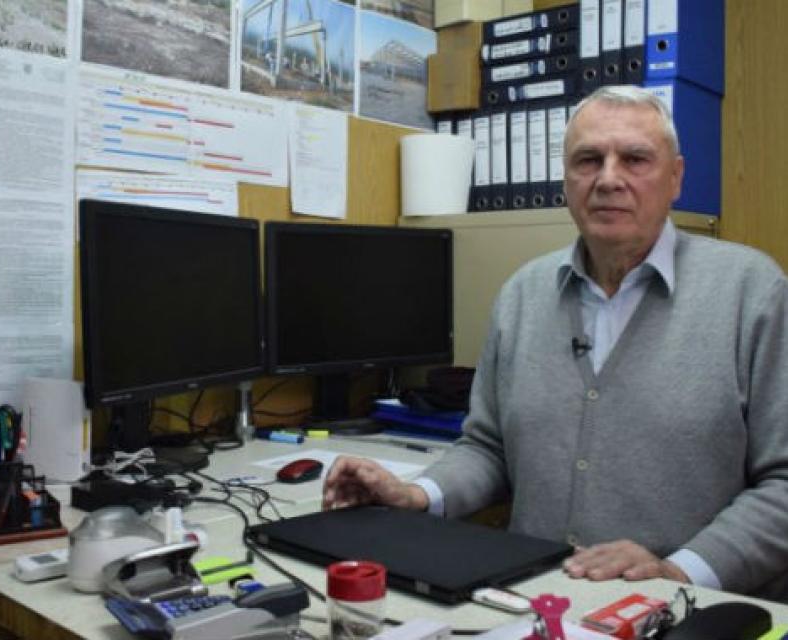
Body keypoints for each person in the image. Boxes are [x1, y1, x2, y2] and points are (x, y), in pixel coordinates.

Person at [323, 85, 788, 601]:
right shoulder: (523, 294)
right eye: (588, 160)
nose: (608, 179)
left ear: (675, 177)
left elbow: (784, 483)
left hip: (684, 610)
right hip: (533, 602)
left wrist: (677, 571)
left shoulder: (753, 294)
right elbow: (488, 448)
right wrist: (416, 494)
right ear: (565, 179)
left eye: (635, 159)